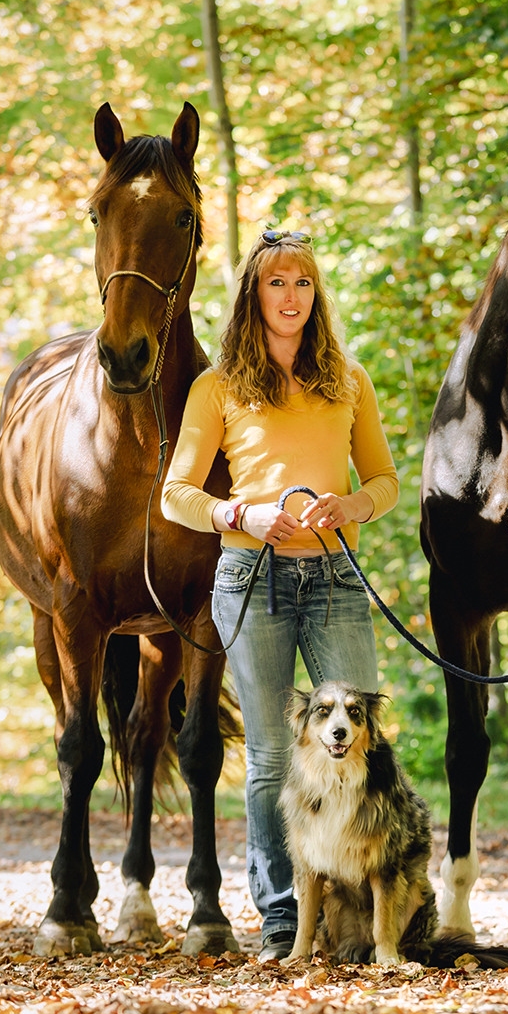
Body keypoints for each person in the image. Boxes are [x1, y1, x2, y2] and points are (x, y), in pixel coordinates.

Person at [161, 230, 399, 962]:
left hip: (335, 578)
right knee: (270, 755)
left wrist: (352, 506)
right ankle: (280, 918)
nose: (290, 296)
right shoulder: (218, 386)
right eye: (276, 283)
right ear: (253, 295)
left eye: (302, 283)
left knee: (360, 743)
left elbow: (385, 482)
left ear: (315, 295)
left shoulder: (348, 380)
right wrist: (244, 514)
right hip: (251, 578)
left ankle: (359, 913)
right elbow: (177, 494)